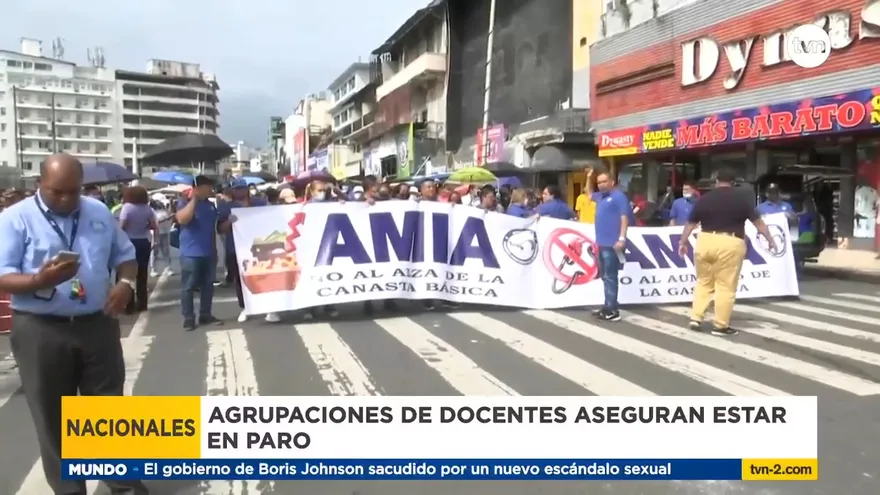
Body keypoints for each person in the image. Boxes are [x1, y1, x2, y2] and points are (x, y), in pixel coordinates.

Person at [0, 154, 147, 495]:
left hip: (97, 324)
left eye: (73, 191)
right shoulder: (14, 220)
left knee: (107, 411)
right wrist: (38, 279)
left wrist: (125, 285)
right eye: (57, 192)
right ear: (39, 184)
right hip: (41, 329)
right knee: (52, 415)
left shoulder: (97, 212)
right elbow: (3, 276)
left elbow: (125, 257)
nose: (66, 200)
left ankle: (124, 485)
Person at [678, 168, 778, 335]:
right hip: (730, 243)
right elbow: (758, 223)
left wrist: (683, 242)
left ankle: (695, 318)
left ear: (717, 182)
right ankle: (720, 325)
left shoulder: (704, 199)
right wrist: (770, 240)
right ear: (733, 183)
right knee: (725, 286)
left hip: (705, 240)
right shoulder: (742, 200)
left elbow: (690, 223)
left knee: (704, 282)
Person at [217, 180, 278, 323]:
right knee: (241, 280)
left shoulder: (260, 203)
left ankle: (271, 308)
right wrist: (229, 222)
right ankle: (246, 308)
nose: (240, 191)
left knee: (266, 276)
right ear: (233, 190)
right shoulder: (227, 207)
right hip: (236, 248)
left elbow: (272, 217)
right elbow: (221, 229)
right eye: (237, 189)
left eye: (242, 188)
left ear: (247, 189)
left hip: (261, 245)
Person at [175, 175, 223, 331]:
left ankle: (205, 314)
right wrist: (194, 200)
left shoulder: (210, 206)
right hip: (190, 253)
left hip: (208, 252)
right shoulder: (183, 202)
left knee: (208, 286)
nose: (211, 189)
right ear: (198, 187)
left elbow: (215, 228)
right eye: (208, 186)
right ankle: (188, 317)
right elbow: (183, 219)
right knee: (188, 287)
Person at [591, 172, 632, 322]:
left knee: (610, 276)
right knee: (605, 276)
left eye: (604, 181)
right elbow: (588, 193)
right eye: (599, 182)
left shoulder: (619, 196)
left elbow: (624, 217)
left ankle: (612, 310)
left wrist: (621, 238)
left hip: (612, 243)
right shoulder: (601, 197)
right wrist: (589, 177)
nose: (601, 184)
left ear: (612, 182)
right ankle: (608, 304)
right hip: (601, 243)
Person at [118, 186, 157, 313]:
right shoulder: (147, 209)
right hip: (143, 242)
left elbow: (122, 226)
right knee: (142, 273)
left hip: (129, 242)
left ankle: (129, 305)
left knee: (128, 274)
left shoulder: (127, 207)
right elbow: (153, 226)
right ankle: (142, 303)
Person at [150, 199, 175, 276]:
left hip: (165, 232)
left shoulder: (164, 211)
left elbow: (170, 218)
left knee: (166, 251)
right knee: (154, 252)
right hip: (155, 233)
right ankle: (153, 269)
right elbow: (155, 222)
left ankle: (168, 268)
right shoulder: (152, 212)